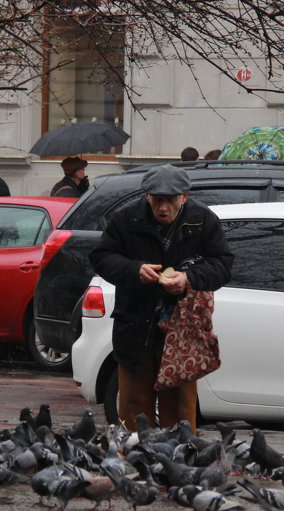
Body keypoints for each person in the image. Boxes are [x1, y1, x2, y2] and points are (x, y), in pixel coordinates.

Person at [89, 164, 234, 428]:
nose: (163, 208)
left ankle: (177, 465)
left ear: (184, 197)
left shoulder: (203, 220)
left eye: (170, 201)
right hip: (135, 326)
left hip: (182, 332)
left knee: (180, 411)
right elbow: (101, 257)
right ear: (147, 196)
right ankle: (135, 463)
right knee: (134, 407)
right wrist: (134, 270)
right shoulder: (126, 219)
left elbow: (222, 265)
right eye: (157, 200)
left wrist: (188, 279)